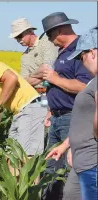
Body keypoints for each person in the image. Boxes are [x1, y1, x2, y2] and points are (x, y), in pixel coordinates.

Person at [32, 12, 93, 200]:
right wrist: (51, 109)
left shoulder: (81, 50)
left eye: (49, 36)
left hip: (72, 118)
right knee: (50, 169)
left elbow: (85, 86)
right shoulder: (63, 52)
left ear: (59, 30)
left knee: (70, 169)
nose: (49, 40)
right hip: (57, 118)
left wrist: (54, 78)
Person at [46, 26, 98, 200]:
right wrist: (67, 145)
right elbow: (86, 120)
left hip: (92, 158)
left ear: (92, 53)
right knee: (70, 194)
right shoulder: (93, 81)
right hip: (83, 156)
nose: (82, 63)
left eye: (81, 57)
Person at [9, 18, 58, 94]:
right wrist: (41, 75)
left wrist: (32, 76)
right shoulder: (24, 56)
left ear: (30, 31)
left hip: (53, 91)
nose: (19, 40)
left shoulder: (47, 41)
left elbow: (48, 68)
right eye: (16, 38)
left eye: (20, 36)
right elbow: (24, 81)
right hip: (34, 94)